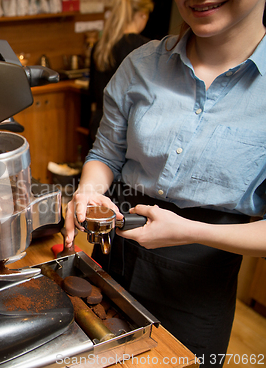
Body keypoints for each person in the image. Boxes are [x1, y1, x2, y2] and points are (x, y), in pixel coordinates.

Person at [65, 1, 266, 367]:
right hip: (114, 258)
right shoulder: (141, 63)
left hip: (197, 287)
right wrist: (88, 192)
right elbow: (106, 154)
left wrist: (191, 231)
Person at [88, 0, 154, 145]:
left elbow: (93, 92)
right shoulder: (146, 48)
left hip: (100, 123)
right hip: (127, 128)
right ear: (142, 15)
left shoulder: (101, 46)